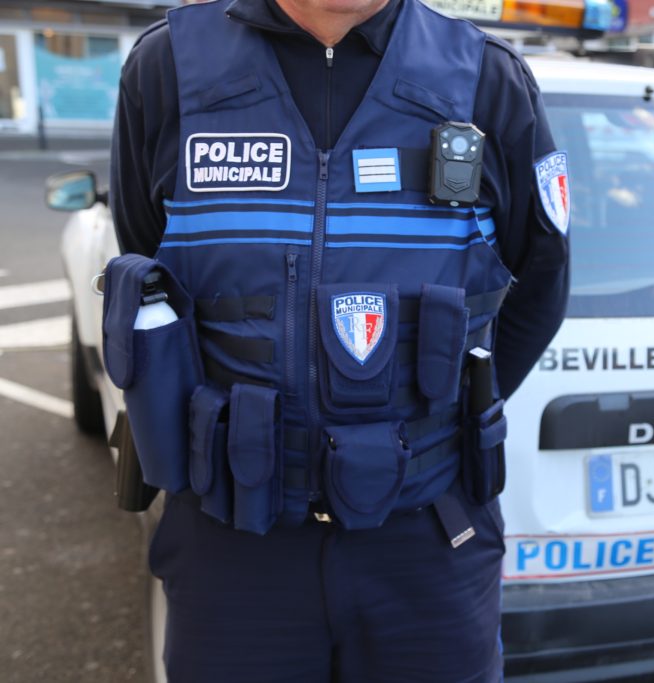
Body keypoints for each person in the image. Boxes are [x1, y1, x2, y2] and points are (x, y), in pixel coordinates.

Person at [109, 0, 569, 680]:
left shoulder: (485, 78)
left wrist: (437, 420)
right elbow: (148, 266)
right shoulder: (168, 67)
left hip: (429, 545)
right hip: (234, 549)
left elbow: (539, 287)